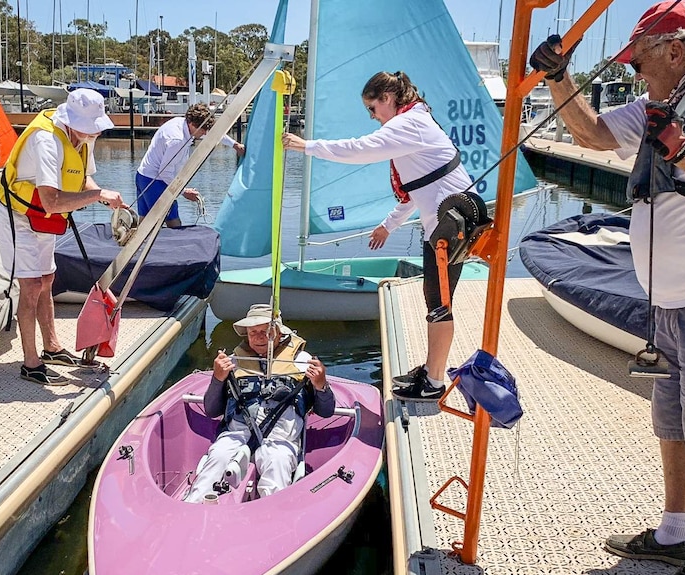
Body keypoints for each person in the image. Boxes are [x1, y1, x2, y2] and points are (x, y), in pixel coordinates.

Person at [529, 2, 685, 574]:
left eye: (640, 60)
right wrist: (558, 77)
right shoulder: (662, 103)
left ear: (675, 51)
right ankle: (675, 529)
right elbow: (593, 133)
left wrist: (683, 152)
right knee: (672, 417)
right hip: (664, 299)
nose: (634, 73)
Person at [281, 70, 475, 402]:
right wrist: (389, 225)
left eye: (373, 108)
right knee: (436, 302)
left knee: (440, 305)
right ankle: (432, 370)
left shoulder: (408, 124)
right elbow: (416, 190)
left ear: (387, 98)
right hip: (446, 223)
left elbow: (360, 149)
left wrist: (307, 146)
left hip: (452, 226)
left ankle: (434, 383)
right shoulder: (414, 119)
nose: (373, 117)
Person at [0, 88, 125, 386]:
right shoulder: (46, 139)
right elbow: (51, 200)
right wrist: (96, 195)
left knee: (48, 278)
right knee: (31, 286)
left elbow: (83, 179)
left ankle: (51, 347)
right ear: (74, 121)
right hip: (17, 215)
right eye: (93, 128)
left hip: (43, 218)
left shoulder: (80, 139)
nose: (96, 134)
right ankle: (30, 363)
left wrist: (102, 195)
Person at [183, 304, 334, 502]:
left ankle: (273, 517)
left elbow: (326, 411)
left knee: (277, 462)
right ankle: (196, 509)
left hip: (281, 439)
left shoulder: (303, 362)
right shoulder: (232, 363)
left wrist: (320, 385)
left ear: (279, 332)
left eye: (266, 331)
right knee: (218, 456)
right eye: (253, 332)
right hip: (236, 435)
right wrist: (218, 379)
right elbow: (211, 410)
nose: (259, 336)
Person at [136, 103, 245, 228]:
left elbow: (213, 133)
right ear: (192, 125)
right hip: (155, 181)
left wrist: (234, 145)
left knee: (144, 223)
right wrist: (183, 192)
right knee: (172, 223)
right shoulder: (177, 140)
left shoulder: (181, 122)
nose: (204, 133)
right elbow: (164, 173)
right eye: (203, 130)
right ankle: (176, 247)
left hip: (142, 176)